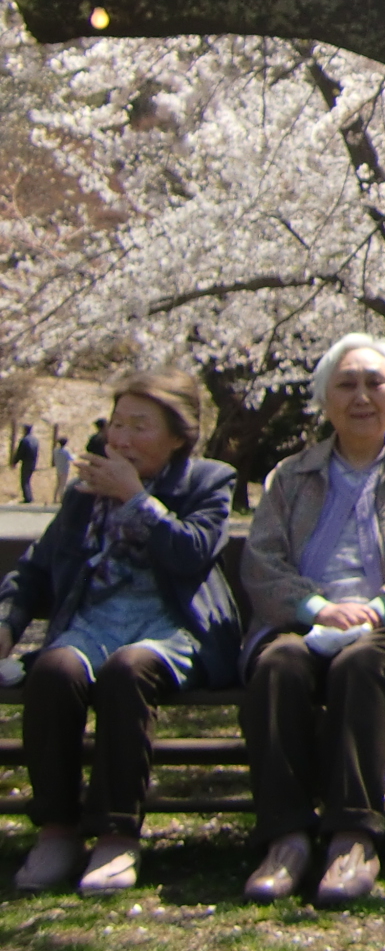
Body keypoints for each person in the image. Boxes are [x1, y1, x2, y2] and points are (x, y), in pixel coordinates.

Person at [238, 333, 385, 906]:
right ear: (326, 400)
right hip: (301, 621)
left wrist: (377, 607)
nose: (362, 396)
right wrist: (317, 608)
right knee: (278, 667)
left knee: (359, 667)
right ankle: (285, 837)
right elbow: (262, 561)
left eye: (374, 382)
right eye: (347, 384)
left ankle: (353, 835)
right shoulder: (290, 476)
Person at [0, 372, 240, 893]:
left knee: (126, 671)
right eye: (117, 424)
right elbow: (38, 567)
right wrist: (7, 621)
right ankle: (58, 830)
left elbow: (191, 554)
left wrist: (137, 499)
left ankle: (116, 836)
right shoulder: (86, 490)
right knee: (53, 669)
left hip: (172, 627)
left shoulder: (208, 481)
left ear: (178, 436)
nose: (121, 439)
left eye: (139, 426)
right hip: (94, 621)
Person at [14, 421, 40, 502]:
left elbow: (20, 452)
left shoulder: (24, 440)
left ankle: (28, 498)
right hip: (33, 462)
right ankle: (29, 497)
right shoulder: (35, 440)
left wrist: (14, 462)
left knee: (24, 481)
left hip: (26, 462)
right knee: (28, 480)